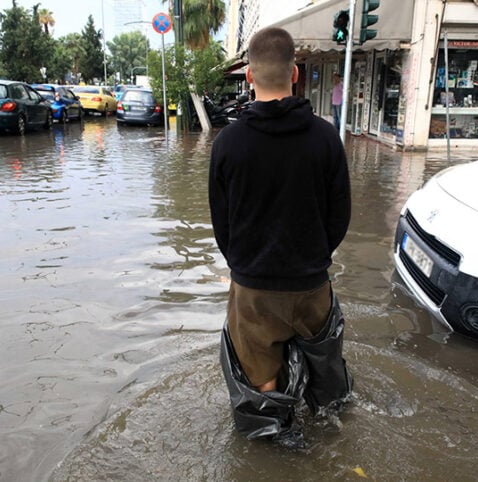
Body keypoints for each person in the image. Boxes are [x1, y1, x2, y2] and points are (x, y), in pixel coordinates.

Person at [209, 27, 352, 448]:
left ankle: (280, 443)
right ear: (294, 73)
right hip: (311, 283)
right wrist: (313, 256)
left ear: (249, 77)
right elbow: (339, 215)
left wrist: (246, 264)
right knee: (325, 366)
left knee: (260, 377)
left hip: (254, 289)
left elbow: (222, 224)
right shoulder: (326, 137)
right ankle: (331, 427)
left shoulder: (228, 143)